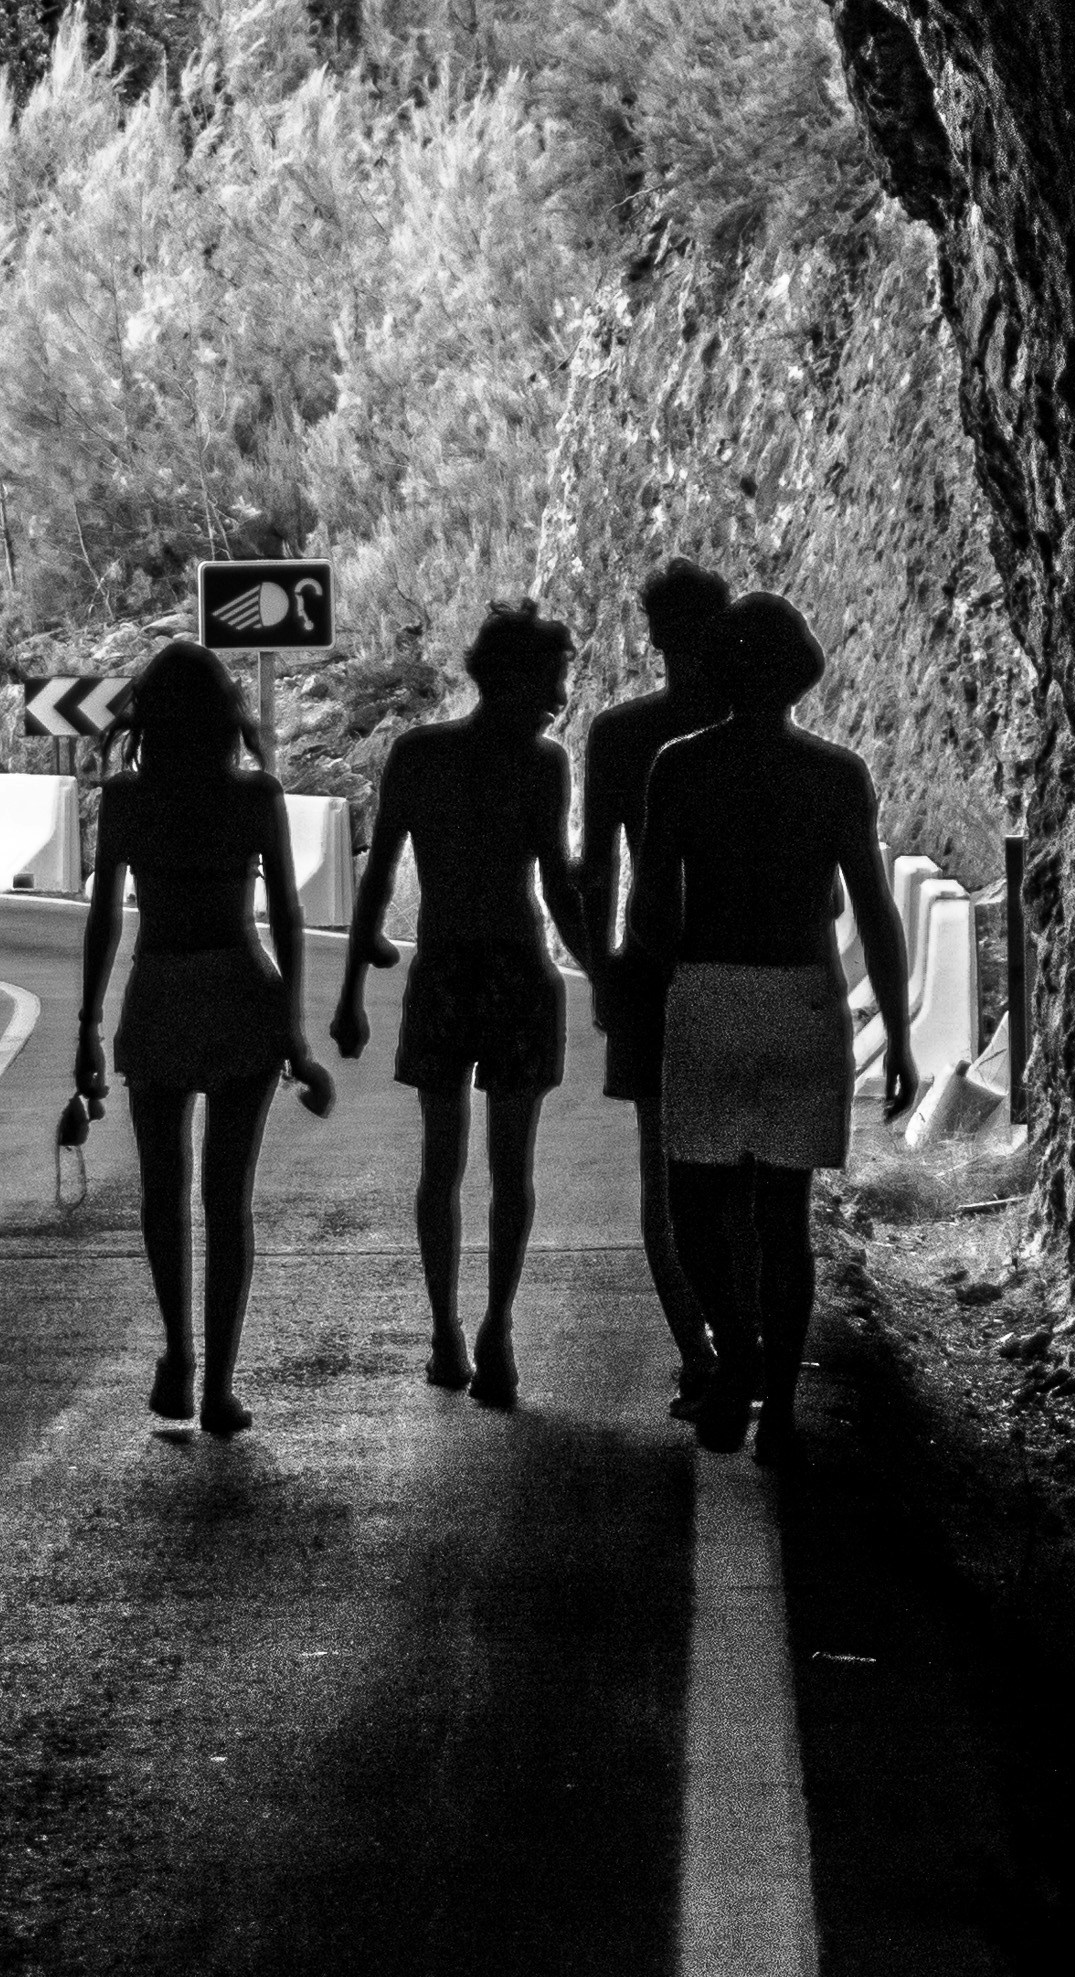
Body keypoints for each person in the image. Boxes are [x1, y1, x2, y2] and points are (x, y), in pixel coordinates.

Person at [630, 593, 915, 1463]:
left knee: (693, 1202)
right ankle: (781, 1411)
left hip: (711, 993)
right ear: (800, 670)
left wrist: (648, 989)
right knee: (783, 1214)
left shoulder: (677, 767)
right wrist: (897, 1034)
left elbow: (648, 912)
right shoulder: (838, 773)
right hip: (802, 1000)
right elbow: (874, 911)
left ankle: (735, 1354)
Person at [69, 639, 343, 1435]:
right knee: (228, 1200)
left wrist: (87, 1027)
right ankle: (220, 1383)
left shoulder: (125, 800)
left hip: (157, 993)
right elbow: (287, 916)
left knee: (164, 1190)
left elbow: (106, 918)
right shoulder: (255, 795)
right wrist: (293, 1030)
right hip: (237, 993)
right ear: (226, 713)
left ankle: (178, 1357)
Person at [329, 602, 588, 1406]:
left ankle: (466, 1327)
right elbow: (554, 883)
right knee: (499, 1168)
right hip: (510, 972)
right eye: (549, 679)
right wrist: (600, 974)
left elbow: (379, 877)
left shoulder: (423, 754)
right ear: (508, 677)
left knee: (453, 1164)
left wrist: (351, 991)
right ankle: (479, 1328)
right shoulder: (534, 764)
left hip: (450, 971)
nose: (557, 696)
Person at [576, 559, 734, 1419]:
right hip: (739, 963)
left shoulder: (619, 733)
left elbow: (598, 867)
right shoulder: (745, 727)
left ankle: (699, 1354)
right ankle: (737, 1345)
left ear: (652, 634)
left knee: (664, 1177)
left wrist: (601, 971)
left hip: (650, 967)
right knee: (740, 1171)